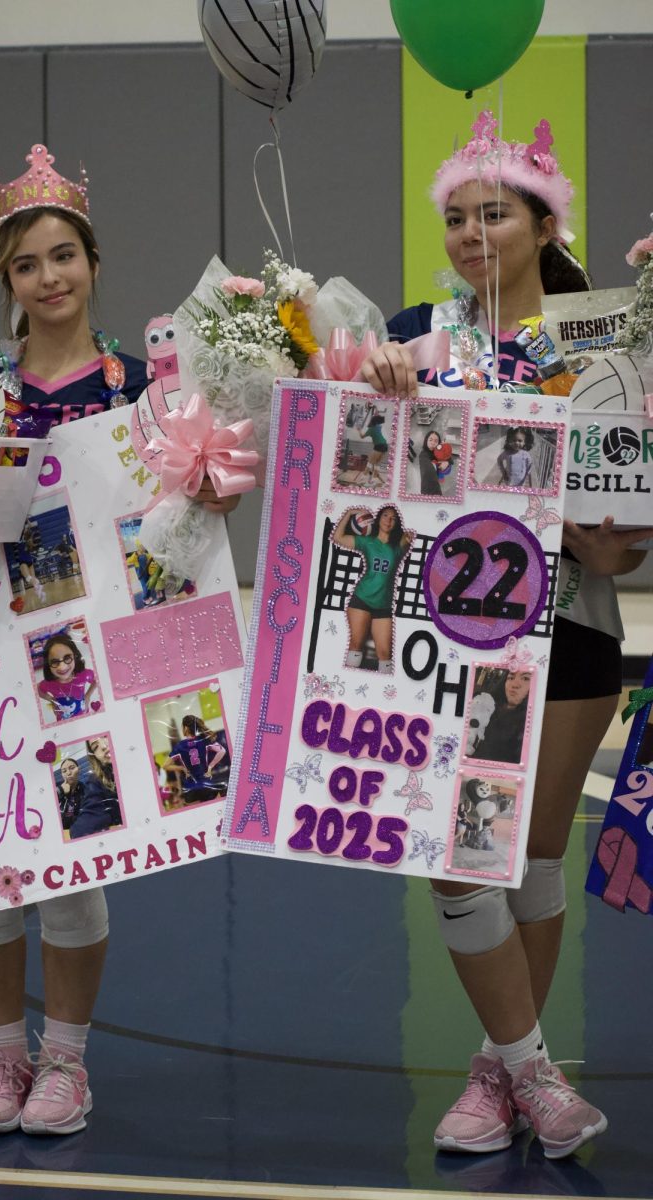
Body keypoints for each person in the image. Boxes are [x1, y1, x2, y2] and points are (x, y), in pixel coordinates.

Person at [0, 142, 239, 1138]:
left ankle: (66, 1067)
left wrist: (207, 487)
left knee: (72, 857)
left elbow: (189, 527)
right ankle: (2, 1057)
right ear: (6, 279)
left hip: (91, 665)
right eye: (27, 262)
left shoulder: (146, 397)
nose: (49, 277)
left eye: (63, 255)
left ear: (93, 261)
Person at [362, 111, 653, 1160]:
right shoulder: (416, 341)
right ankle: (535, 1075)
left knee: (527, 864)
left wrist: (600, 531)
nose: (471, 232)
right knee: (457, 856)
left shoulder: (611, 351)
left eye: (492, 213)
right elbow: (363, 474)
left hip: (573, 627)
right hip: (446, 646)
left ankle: (496, 1076)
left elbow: (625, 541)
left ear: (541, 225)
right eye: (453, 217)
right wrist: (381, 386)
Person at [332, 506, 411, 672]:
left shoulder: (398, 547)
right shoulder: (367, 541)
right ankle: (349, 682)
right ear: (378, 518)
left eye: (393, 518)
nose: (388, 520)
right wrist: (349, 514)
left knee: (384, 653)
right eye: (385, 515)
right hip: (362, 599)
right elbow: (337, 537)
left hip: (383, 605)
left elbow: (413, 530)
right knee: (356, 644)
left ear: (396, 523)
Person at [470, 670, 532, 766]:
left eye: (525, 679)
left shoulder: (527, 724)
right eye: (511, 678)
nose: (515, 685)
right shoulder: (487, 704)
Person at [163, 714, 227, 804]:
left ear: (186, 728)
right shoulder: (203, 739)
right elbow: (222, 751)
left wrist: (181, 768)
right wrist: (210, 767)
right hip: (207, 785)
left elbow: (165, 766)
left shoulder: (180, 745)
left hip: (191, 789)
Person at [68, 737, 122, 839]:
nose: (103, 746)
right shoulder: (97, 781)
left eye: (106, 736)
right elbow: (81, 829)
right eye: (95, 747)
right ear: (95, 757)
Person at [37, 633, 97, 723]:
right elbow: (38, 689)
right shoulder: (48, 683)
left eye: (67, 658)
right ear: (47, 665)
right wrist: (52, 700)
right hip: (63, 721)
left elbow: (96, 680)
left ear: (75, 655)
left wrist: (88, 695)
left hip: (84, 716)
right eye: (55, 662)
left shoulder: (83, 675)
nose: (62, 667)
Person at [352, 405, 388, 487]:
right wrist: (375, 407)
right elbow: (377, 415)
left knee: (370, 463)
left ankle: (362, 479)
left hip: (378, 446)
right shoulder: (379, 426)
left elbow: (361, 436)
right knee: (376, 464)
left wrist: (359, 430)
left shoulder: (370, 430)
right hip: (385, 446)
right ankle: (374, 479)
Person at [56, 757, 83, 831]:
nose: (68, 773)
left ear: (78, 769)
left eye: (72, 768)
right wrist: (60, 790)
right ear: (62, 774)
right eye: (64, 771)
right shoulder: (56, 787)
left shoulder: (85, 789)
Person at [418, 430, 443, 496]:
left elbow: (448, 457)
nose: (433, 443)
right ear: (426, 440)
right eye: (430, 440)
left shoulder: (437, 451)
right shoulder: (423, 455)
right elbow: (428, 472)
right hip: (429, 491)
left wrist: (446, 462)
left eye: (436, 441)